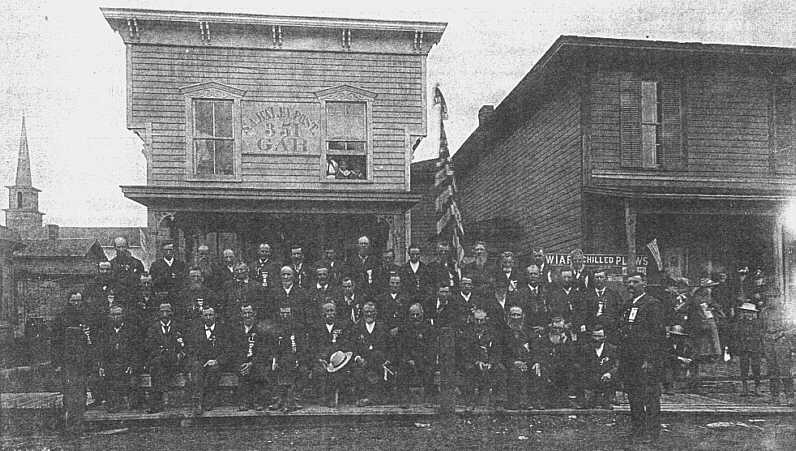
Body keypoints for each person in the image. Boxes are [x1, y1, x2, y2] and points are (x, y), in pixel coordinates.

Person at [618, 272, 666, 442]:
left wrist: (650, 360)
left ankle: (652, 433)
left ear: (644, 283)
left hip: (646, 359)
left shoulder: (652, 304)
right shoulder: (628, 304)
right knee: (633, 396)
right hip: (630, 359)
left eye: (635, 282)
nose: (631, 285)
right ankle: (638, 430)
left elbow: (657, 335)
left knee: (650, 396)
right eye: (629, 282)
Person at [50, 290, 95, 436]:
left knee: (81, 391)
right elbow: (55, 342)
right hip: (67, 361)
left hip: (83, 360)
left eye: (78, 301)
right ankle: (69, 424)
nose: (76, 303)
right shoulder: (61, 318)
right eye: (73, 301)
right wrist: (56, 363)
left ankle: (79, 424)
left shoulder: (87, 316)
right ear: (68, 301)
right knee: (69, 392)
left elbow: (92, 340)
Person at [457, 309, 505, 409]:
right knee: (469, 369)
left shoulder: (492, 332)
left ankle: (499, 402)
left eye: (481, 320)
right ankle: (469, 401)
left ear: (486, 320)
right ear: (472, 319)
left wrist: (491, 362)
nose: (479, 323)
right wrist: (476, 362)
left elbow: (497, 350)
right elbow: (464, 351)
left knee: (500, 369)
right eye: (476, 320)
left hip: (488, 361)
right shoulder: (467, 332)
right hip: (472, 361)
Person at [96, 305, 140, 413]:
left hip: (127, 364)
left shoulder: (132, 330)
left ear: (123, 315)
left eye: (118, 314)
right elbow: (100, 350)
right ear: (109, 316)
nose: (116, 317)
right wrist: (101, 366)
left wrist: (132, 365)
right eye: (113, 315)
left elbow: (137, 350)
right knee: (106, 378)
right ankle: (113, 403)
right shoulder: (104, 332)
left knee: (131, 379)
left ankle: (130, 404)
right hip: (111, 364)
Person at [144, 303, 187, 413]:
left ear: (171, 313)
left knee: (157, 365)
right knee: (157, 364)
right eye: (162, 312)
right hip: (159, 360)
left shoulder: (178, 327)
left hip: (175, 362)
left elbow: (184, 345)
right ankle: (158, 401)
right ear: (158, 314)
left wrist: (179, 350)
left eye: (167, 312)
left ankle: (156, 402)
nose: (164, 314)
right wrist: (162, 351)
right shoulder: (153, 328)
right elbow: (149, 346)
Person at [308, 302, 353, 407]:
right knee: (319, 371)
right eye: (327, 311)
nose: (329, 313)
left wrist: (339, 358)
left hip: (338, 359)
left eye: (332, 311)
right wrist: (319, 359)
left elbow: (346, 344)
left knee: (339, 372)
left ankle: (337, 398)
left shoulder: (342, 326)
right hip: (321, 360)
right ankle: (323, 397)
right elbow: (312, 346)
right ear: (322, 313)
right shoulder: (316, 327)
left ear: (336, 312)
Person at [187, 307, 229, 415]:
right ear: (202, 317)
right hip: (201, 362)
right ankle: (198, 401)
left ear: (215, 316)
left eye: (211, 315)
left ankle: (209, 399)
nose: (208, 317)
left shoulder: (223, 330)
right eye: (206, 315)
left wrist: (217, 360)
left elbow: (228, 350)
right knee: (196, 367)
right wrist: (197, 361)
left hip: (216, 362)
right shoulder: (196, 331)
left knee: (214, 370)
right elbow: (191, 349)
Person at [351, 301, 393, 406]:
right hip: (362, 362)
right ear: (363, 312)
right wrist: (357, 358)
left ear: (376, 312)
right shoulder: (356, 327)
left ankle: (373, 398)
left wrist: (388, 359)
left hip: (379, 362)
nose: (369, 314)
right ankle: (367, 397)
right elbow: (352, 346)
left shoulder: (383, 327)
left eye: (371, 312)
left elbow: (391, 346)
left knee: (377, 360)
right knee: (358, 372)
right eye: (366, 312)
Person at [395, 303, 437, 406]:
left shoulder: (429, 328)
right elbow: (401, 347)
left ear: (422, 314)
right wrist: (408, 359)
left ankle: (429, 398)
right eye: (412, 315)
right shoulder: (405, 329)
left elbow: (432, 347)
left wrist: (423, 359)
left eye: (417, 314)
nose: (415, 317)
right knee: (402, 369)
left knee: (429, 370)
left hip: (424, 359)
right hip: (409, 360)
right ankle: (404, 398)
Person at [268, 305, 308, 412]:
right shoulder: (275, 330)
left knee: (303, 370)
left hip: (296, 359)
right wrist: (274, 360)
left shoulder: (298, 329)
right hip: (281, 360)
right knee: (274, 369)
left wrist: (298, 359)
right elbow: (273, 348)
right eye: (283, 313)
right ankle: (278, 399)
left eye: (287, 313)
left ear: (291, 315)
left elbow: (303, 348)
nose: (285, 316)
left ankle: (294, 400)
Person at [684, 278, 723, 391]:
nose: (710, 290)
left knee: (704, 355)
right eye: (709, 287)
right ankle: (694, 381)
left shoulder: (708, 299)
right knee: (697, 355)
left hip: (707, 330)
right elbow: (700, 315)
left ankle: (699, 380)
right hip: (700, 331)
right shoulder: (698, 300)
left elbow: (717, 310)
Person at [533, 315, 579, 408]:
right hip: (546, 365)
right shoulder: (543, 339)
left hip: (561, 367)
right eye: (555, 328)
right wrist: (538, 362)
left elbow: (570, 357)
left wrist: (563, 343)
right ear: (551, 327)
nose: (557, 331)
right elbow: (538, 354)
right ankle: (542, 401)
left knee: (571, 370)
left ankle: (567, 400)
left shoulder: (566, 340)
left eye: (560, 328)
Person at [231, 304, 268, 411]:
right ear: (241, 315)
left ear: (254, 314)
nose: (247, 316)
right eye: (244, 313)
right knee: (243, 371)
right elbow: (232, 350)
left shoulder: (261, 329)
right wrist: (243, 363)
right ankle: (244, 402)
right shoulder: (236, 330)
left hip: (255, 361)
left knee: (258, 370)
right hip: (240, 361)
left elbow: (263, 351)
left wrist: (251, 363)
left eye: (249, 313)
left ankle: (257, 401)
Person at [503, 305, 539, 410]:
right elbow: (500, 352)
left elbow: (535, 349)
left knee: (536, 370)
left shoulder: (529, 332)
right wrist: (513, 362)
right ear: (508, 316)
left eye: (518, 315)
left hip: (526, 362)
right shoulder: (503, 332)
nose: (515, 318)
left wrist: (535, 362)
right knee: (515, 371)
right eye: (513, 315)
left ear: (522, 316)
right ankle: (514, 402)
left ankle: (532, 401)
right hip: (510, 362)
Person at [761, 299, 795, 406]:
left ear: (778, 298)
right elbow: (761, 327)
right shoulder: (764, 312)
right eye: (769, 297)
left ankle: (790, 397)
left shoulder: (787, 311)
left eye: (773, 297)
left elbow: (794, 328)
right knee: (772, 370)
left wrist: (783, 334)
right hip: (768, 341)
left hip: (782, 341)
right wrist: (765, 337)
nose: (771, 300)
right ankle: (774, 397)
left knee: (784, 370)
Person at [577, 325, 619, 409]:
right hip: (590, 379)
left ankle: (608, 399)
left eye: (599, 336)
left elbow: (617, 365)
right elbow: (580, 365)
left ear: (605, 337)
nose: (596, 339)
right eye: (594, 336)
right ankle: (589, 399)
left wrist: (610, 373)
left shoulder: (612, 349)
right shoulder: (585, 349)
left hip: (606, 380)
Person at [732, 303, 764, 397]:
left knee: (756, 367)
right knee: (744, 367)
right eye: (745, 312)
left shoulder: (758, 323)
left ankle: (757, 387)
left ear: (753, 313)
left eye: (750, 312)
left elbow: (760, 334)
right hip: (744, 347)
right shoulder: (740, 323)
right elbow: (736, 335)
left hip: (755, 347)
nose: (747, 314)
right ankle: (745, 387)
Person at [582, 270, 622, 341]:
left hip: (609, 331)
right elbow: (583, 313)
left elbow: (618, 313)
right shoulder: (586, 295)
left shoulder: (614, 295)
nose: (599, 279)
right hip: (591, 330)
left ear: (606, 279)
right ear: (593, 279)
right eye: (597, 277)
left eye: (601, 277)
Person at [661, 325, 695, 395]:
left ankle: (687, 386)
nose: (676, 338)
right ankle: (668, 387)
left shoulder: (685, 344)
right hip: (667, 365)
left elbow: (693, 353)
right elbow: (665, 355)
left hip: (679, 365)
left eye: (679, 336)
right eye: (674, 336)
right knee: (668, 366)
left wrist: (689, 360)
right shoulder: (665, 343)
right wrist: (679, 358)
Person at [516, 264, 549, 332]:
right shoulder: (519, 293)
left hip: (543, 329)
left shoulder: (546, 292)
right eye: (530, 274)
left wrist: (544, 327)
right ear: (526, 276)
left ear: (539, 276)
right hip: (526, 330)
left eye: (535, 274)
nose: (533, 276)